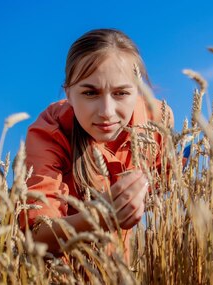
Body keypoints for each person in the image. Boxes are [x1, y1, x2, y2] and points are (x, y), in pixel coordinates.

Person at [19, 28, 173, 259]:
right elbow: (37, 235)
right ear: (68, 93)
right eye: (90, 93)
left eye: (121, 93)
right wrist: (100, 215)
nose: (107, 112)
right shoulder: (50, 131)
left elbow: (168, 184)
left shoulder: (157, 120)